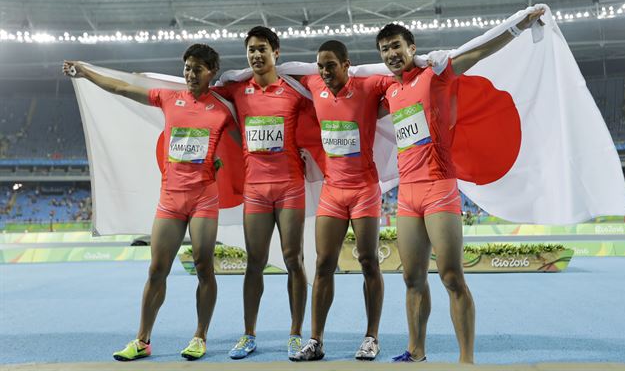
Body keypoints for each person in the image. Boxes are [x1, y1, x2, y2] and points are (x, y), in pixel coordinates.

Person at [375, 8, 545, 363]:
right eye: (384, 50)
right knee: (411, 278)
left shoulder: (435, 74)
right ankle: (416, 351)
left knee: (451, 275)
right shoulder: (389, 91)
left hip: (439, 186)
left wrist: (519, 23)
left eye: (396, 46)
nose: (391, 54)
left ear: (411, 47)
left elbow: (478, 50)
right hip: (407, 195)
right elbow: (350, 103)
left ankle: (466, 359)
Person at [62, 43, 240, 361]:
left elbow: (246, 145)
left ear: (211, 72)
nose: (189, 74)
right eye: (186, 68)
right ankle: (142, 340)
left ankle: (200, 336)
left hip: (203, 199)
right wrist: (87, 72)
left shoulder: (223, 110)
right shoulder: (168, 98)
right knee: (157, 269)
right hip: (171, 199)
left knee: (203, 267)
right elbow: (121, 87)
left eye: (197, 69)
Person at [283, 40, 394, 361]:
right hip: (333, 192)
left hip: (364, 190)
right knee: (323, 265)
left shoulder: (369, 85)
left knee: (369, 261)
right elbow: (286, 71)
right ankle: (315, 341)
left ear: (347, 65)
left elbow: (401, 74)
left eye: (331, 65)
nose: (324, 71)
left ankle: (372, 337)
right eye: (320, 65)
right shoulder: (314, 83)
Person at [215, 26, 309, 360]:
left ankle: (296, 334)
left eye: (262, 49)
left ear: (276, 53)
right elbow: (200, 93)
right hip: (255, 189)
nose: (256, 55)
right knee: (254, 263)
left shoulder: (295, 91)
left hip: (289, 187)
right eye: (251, 50)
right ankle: (248, 334)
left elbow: (324, 109)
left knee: (292, 260)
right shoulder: (238, 91)